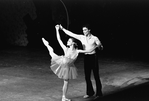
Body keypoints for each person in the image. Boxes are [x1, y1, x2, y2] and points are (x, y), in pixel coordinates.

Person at [42, 25, 90, 101]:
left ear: (73, 43)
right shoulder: (66, 49)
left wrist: (97, 45)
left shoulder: (77, 51)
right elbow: (59, 40)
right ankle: (46, 44)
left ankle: (63, 97)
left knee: (66, 83)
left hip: (69, 67)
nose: (67, 42)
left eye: (69, 41)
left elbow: (88, 51)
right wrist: (57, 30)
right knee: (51, 52)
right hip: (62, 63)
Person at [59, 24, 103, 99]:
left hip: (93, 57)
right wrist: (62, 29)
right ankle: (90, 92)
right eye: (83, 30)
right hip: (86, 57)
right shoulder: (81, 37)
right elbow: (71, 34)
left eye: (85, 30)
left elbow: (101, 48)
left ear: (89, 30)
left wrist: (99, 46)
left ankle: (99, 93)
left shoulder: (95, 38)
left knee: (96, 76)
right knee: (87, 76)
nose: (84, 31)